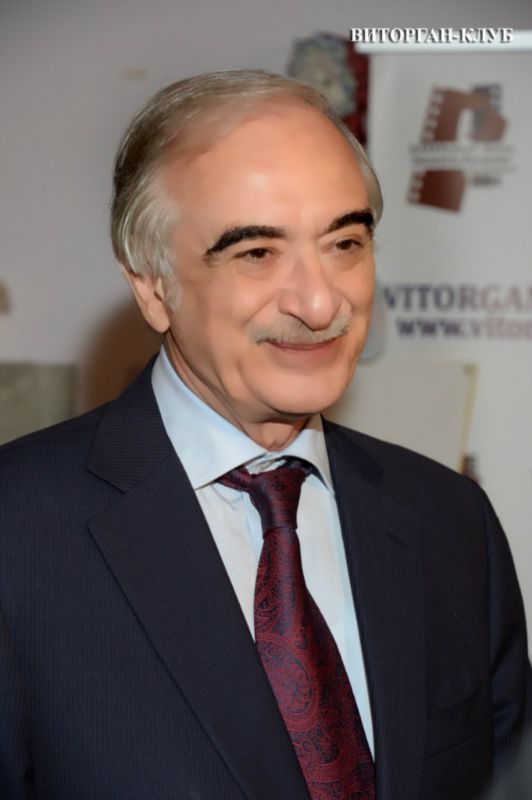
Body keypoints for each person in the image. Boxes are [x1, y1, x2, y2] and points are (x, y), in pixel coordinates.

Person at [0, 69, 530, 800]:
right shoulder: (17, 535)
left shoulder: (452, 522)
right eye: (257, 253)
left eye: (345, 242)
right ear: (153, 286)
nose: (319, 302)